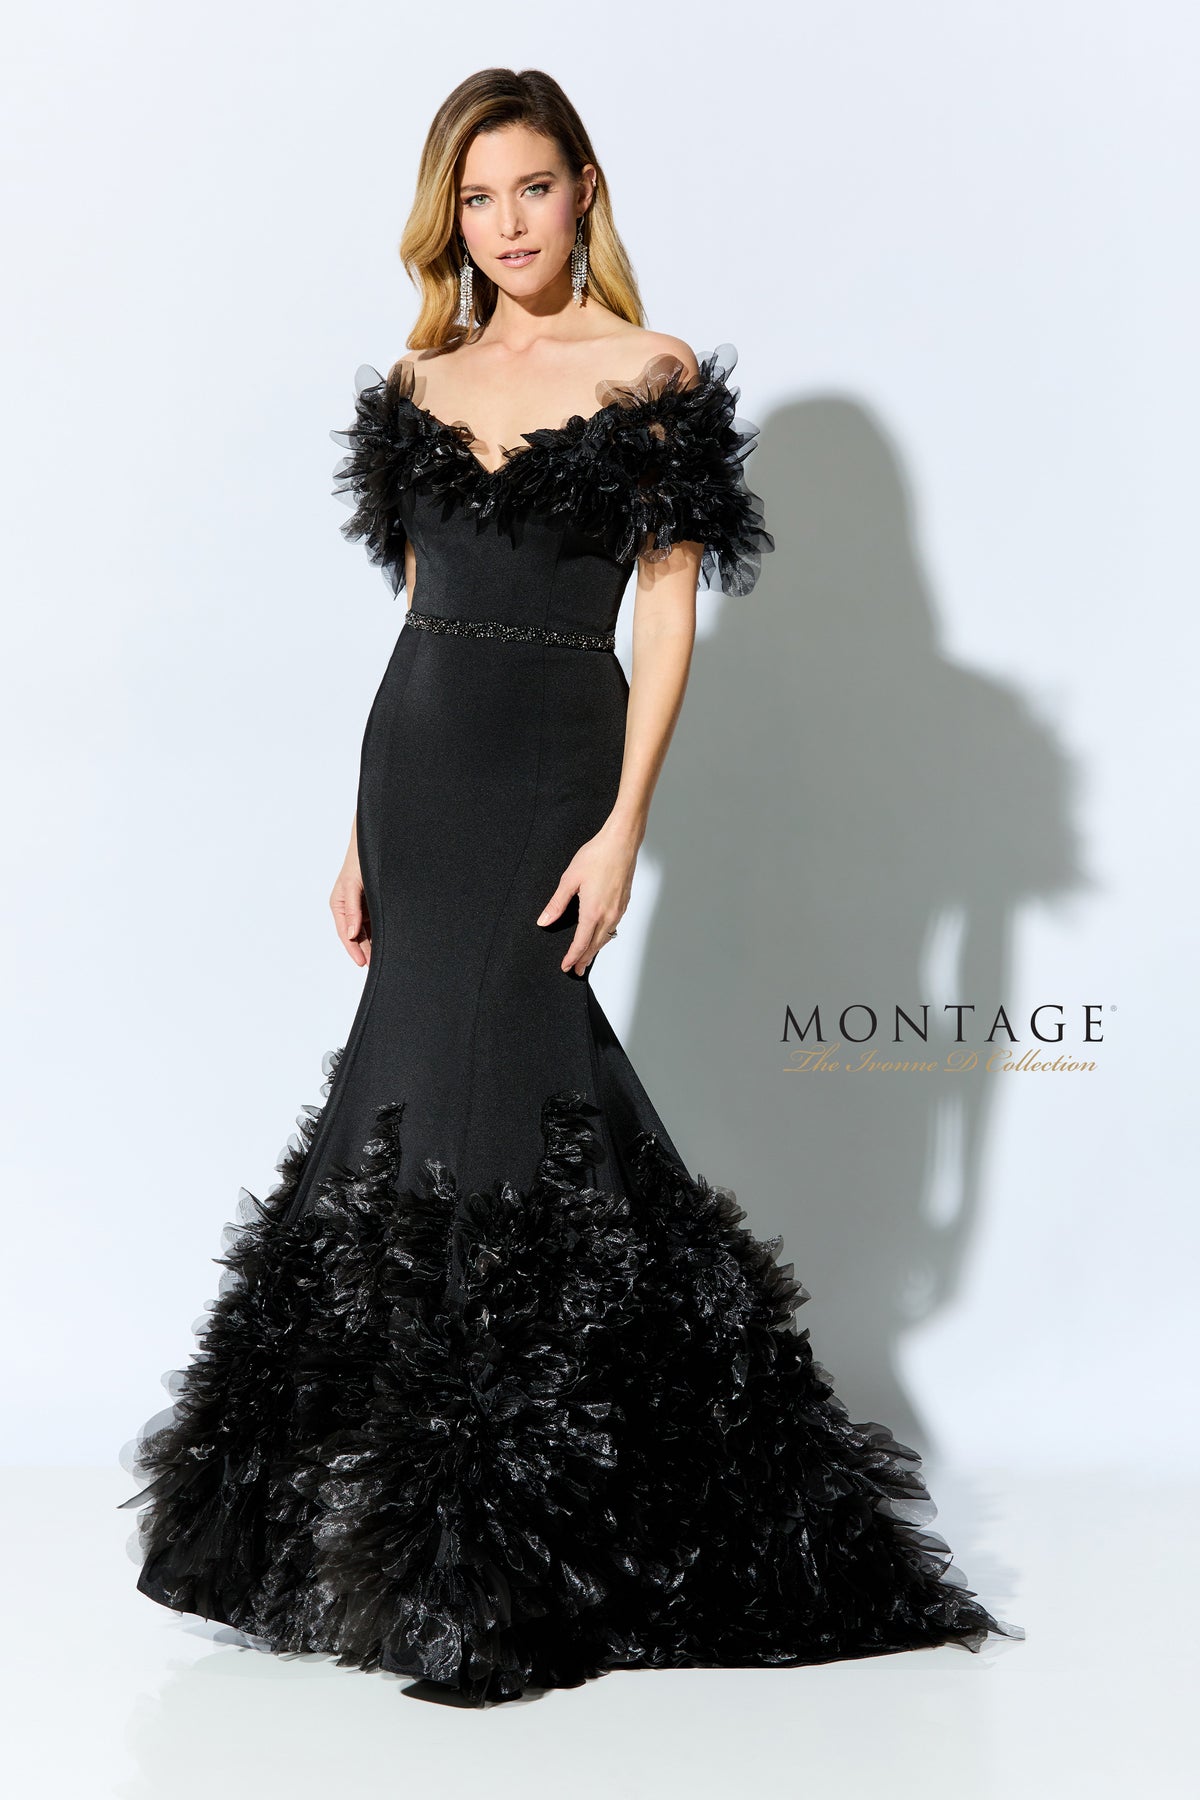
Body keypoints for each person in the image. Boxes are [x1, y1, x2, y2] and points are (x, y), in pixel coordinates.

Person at [120, 66, 1023, 1707]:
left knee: (501, 1088)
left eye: (530, 188)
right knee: (433, 1093)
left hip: (552, 762)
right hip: (418, 769)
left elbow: (666, 617)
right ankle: (372, 1532)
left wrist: (622, 825)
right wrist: (357, 833)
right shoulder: (422, 374)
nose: (506, 224)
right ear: (449, 218)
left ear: (585, 190)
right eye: (476, 200)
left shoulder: (651, 374)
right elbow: (415, 610)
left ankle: (499, 1565)